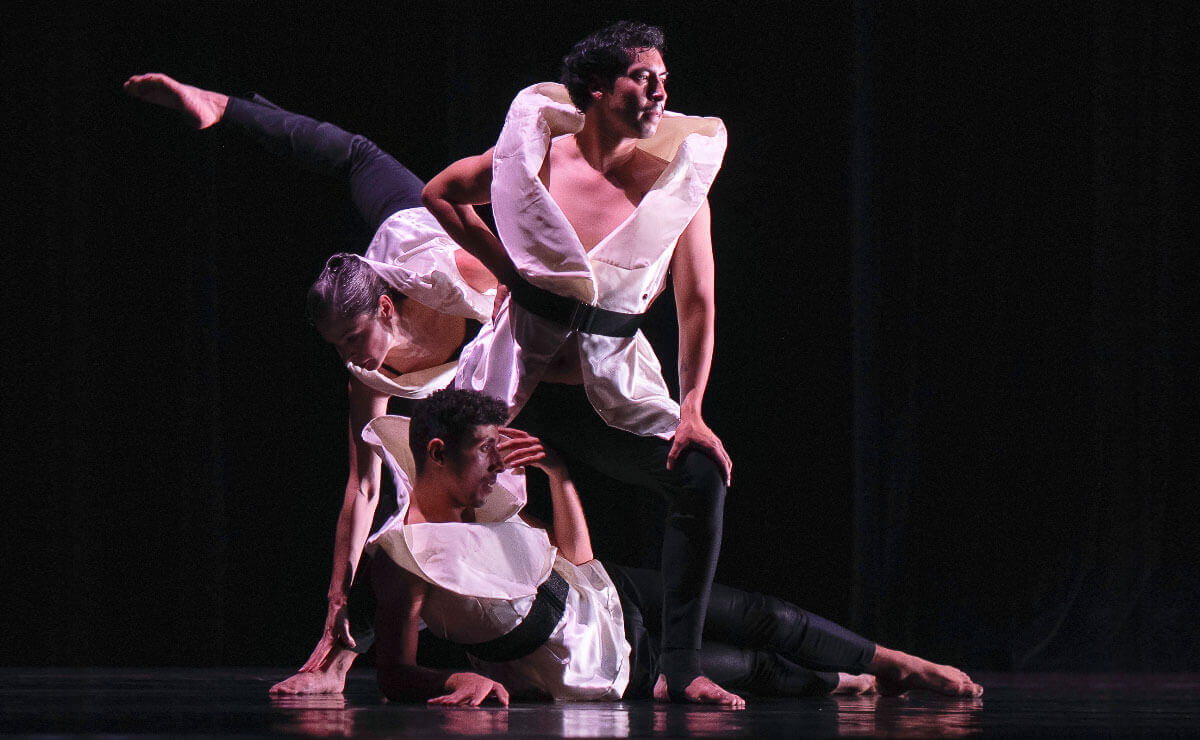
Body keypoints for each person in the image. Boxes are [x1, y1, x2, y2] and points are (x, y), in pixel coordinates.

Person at [123, 74, 499, 694]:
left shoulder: (458, 269)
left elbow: (526, 271)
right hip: (391, 259)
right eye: (336, 349)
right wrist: (335, 605)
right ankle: (344, 658)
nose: (348, 358)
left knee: (356, 152)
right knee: (407, 518)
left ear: (383, 309)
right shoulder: (365, 373)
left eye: (352, 340)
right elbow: (363, 486)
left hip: (427, 242)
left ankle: (224, 105)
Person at [421, 21, 735, 703]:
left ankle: (681, 669)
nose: (659, 93)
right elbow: (439, 193)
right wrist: (507, 269)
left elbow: (698, 305)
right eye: (643, 78)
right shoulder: (534, 159)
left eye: (664, 82)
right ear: (597, 88)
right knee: (438, 483)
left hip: (606, 393)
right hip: (518, 387)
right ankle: (430, 663)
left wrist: (692, 408)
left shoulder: (673, 189)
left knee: (701, 475)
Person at [364, 388, 984, 705]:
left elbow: (573, 563)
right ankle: (851, 683)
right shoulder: (403, 554)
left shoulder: (487, 506)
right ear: (437, 454)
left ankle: (897, 662)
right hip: (597, 666)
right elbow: (394, 671)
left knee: (766, 614)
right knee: (759, 669)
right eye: (485, 456)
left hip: (609, 590)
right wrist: (449, 682)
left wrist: (561, 475)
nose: (497, 471)